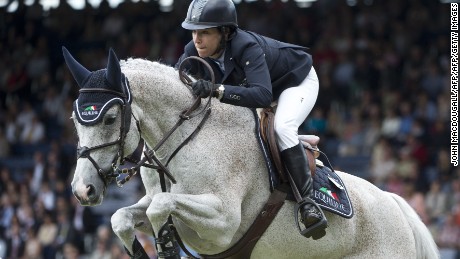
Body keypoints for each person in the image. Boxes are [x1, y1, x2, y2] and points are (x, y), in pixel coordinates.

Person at [175, 0, 326, 239]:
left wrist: (216, 90)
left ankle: (308, 204)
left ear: (225, 32)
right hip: (262, 88)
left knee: (283, 127)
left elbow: (263, 95)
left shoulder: (246, 47)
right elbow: (176, 86)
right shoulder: (193, 52)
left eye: (204, 32)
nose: (197, 39)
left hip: (295, 82)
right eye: (194, 31)